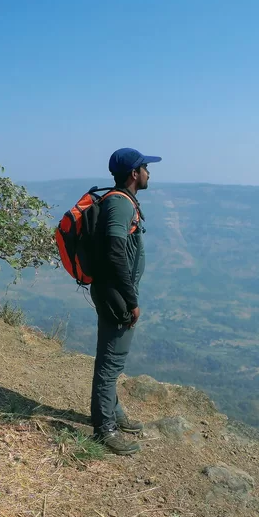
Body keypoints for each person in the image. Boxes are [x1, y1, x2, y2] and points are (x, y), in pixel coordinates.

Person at [89, 148, 161, 455]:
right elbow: (114, 252)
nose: (148, 173)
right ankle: (104, 428)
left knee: (112, 357)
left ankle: (113, 413)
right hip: (116, 294)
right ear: (134, 173)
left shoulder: (120, 200)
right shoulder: (119, 205)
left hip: (113, 290)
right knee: (110, 363)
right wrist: (131, 300)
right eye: (145, 168)